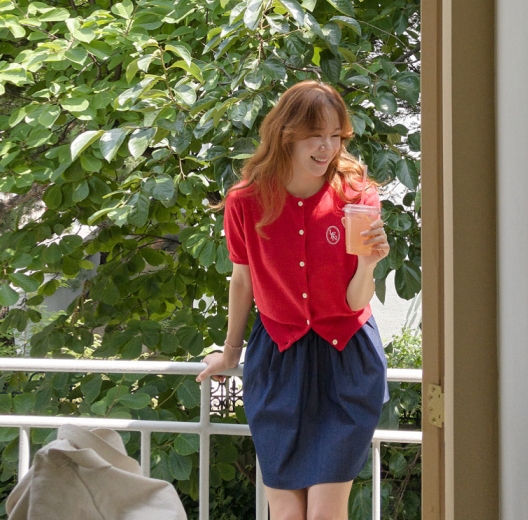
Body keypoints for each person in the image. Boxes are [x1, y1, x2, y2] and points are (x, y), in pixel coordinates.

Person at [196, 80, 390, 520]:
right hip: (278, 360)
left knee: (324, 514)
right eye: (315, 135)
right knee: (286, 514)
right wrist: (230, 352)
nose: (327, 148)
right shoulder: (245, 201)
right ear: (286, 134)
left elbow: (355, 302)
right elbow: (242, 280)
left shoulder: (357, 197)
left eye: (335, 135)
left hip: (347, 357)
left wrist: (367, 265)